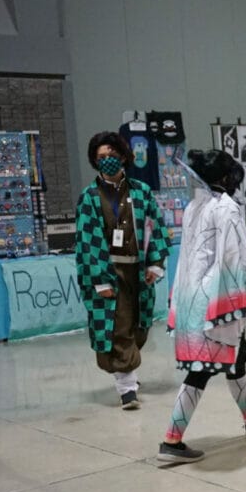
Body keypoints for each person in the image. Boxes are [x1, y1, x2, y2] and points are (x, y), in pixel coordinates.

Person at [157, 150, 246, 464]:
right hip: (214, 302)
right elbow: (235, 258)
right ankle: (172, 438)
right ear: (227, 178)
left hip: (192, 298)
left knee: (237, 356)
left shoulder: (195, 205)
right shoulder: (227, 208)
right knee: (202, 369)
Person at [74, 131, 170, 409]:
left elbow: (156, 227)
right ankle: (127, 388)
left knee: (137, 327)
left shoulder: (141, 191)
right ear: (94, 161)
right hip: (108, 270)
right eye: (101, 157)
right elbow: (86, 241)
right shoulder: (89, 197)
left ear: (124, 157)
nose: (108, 161)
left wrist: (155, 263)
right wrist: (99, 280)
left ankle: (127, 370)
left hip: (137, 272)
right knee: (117, 326)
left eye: (112, 156)